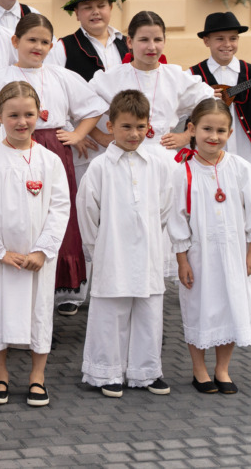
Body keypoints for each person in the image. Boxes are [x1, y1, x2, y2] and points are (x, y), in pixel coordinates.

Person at [0, 13, 107, 306]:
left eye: (44, 41)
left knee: (54, 216)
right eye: (31, 40)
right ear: (15, 41)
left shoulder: (60, 76)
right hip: (14, 148)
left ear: (52, 46)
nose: (37, 46)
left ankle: (54, 292)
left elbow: (93, 107)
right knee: (19, 216)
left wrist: (78, 134)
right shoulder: (0, 77)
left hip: (53, 150)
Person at [88, 11, 214, 277]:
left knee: (165, 220)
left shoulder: (175, 76)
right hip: (123, 159)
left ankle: (157, 275)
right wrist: (100, 137)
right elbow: (83, 108)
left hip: (163, 156)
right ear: (130, 42)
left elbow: (209, 104)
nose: (151, 47)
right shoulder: (110, 77)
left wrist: (186, 136)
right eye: (144, 39)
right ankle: (123, 274)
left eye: (158, 39)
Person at [0, 81, 70, 407]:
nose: (21, 121)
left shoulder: (49, 160)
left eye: (28, 114)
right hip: (1, 258)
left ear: (38, 115)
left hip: (37, 258)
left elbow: (60, 207)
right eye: (13, 115)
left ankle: (37, 377)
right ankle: (0, 375)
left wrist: (43, 250)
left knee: (39, 311)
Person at [169, 99, 251, 395]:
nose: (213, 136)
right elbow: (177, 220)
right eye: (206, 129)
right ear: (191, 129)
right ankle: (199, 368)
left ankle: (222, 368)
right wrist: (182, 261)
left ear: (229, 133)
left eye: (221, 131)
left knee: (232, 305)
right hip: (199, 255)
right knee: (200, 308)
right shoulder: (183, 172)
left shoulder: (240, 168)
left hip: (235, 253)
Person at [77, 90, 175, 398]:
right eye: (126, 126)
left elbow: (164, 208)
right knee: (110, 312)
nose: (134, 134)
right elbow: (87, 211)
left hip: (147, 250)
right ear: (110, 126)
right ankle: (106, 371)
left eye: (139, 127)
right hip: (112, 250)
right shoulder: (100, 167)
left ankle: (146, 371)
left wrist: (146, 235)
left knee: (148, 310)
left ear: (149, 127)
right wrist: (98, 249)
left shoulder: (157, 164)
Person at [45, 0, 129, 316]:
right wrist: (85, 134)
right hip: (86, 148)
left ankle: (116, 282)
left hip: (125, 144)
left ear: (111, 8)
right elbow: (53, 93)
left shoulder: (127, 44)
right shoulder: (63, 48)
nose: (95, 12)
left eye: (101, 5)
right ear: (76, 13)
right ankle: (73, 290)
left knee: (119, 213)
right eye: (87, 7)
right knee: (82, 214)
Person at [188, 11, 251, 168]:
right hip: (201, 160)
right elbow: (177, 116)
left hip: (243, 158)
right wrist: (199, 99)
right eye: (220, 39)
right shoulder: (192, 77)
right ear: (206, 41)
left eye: (233, 38)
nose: (227, 44)